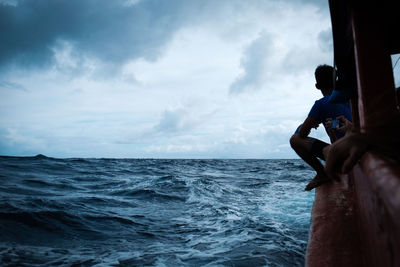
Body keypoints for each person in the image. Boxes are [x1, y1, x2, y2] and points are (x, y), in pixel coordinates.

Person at [290, 64, 352, 191]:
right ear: (336, 81)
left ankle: (322, 173)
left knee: (294, 139)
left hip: (341, 154)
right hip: (357, 147)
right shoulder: (350, 99)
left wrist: (305, 125)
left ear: (317, 86)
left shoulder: (321, 104)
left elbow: (301, 134)